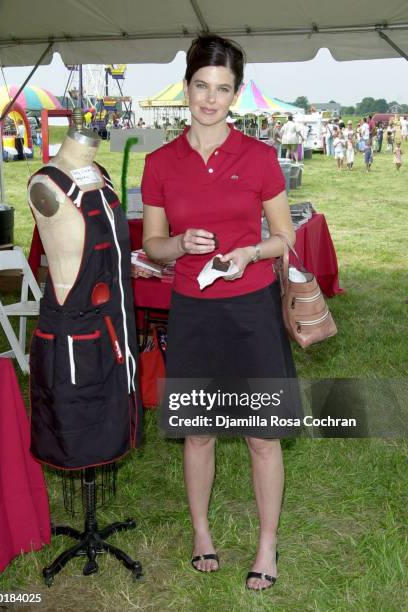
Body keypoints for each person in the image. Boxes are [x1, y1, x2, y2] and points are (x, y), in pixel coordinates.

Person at [141, 33, 300, 592]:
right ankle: (202, 533)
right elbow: (153, 245)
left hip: (252, 308)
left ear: (236, 95)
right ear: (187, 87)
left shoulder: (258, 157)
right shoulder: (160, 162)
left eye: (223, 89)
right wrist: (181, 244)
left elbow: (285, 238)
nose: (210, 98)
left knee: (262, 436)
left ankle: (266, 544)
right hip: (193, 311)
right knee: (199, 432)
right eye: (202, 86)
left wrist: (250, 251)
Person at [27, 109, 142, 470]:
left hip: (115, 321)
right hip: (73, 328)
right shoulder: (46, 186)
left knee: (112, 410)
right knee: (80, 423)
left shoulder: (102, 178)